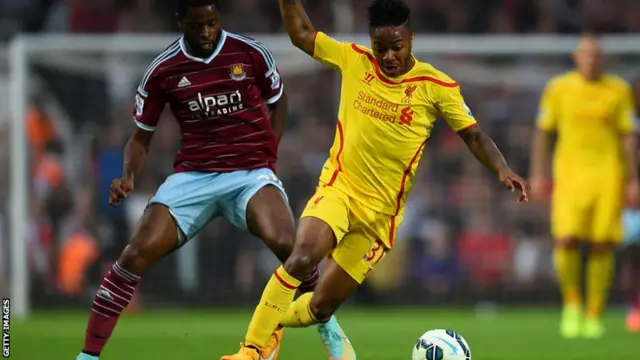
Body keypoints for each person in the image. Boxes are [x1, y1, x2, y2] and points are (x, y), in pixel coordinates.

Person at [222, 1, 529, 359]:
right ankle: (251, 351)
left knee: (321, 307)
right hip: (339, 190)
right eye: (379, 47)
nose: (387, 57)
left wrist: (502, 168)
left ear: (411, 39)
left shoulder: (436, 86)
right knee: (302, 258)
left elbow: (474, 136)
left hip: (380, 217)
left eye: (396, 47)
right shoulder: (354, 60)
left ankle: (274, 325)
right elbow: (303, 36)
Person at [75, 1, 352, 359]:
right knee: (134, 254)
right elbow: (141, 137)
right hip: (193, 177)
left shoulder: (249, 53)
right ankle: (87, 356)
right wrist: (128, 177)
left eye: (212, 23)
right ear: (180, 22)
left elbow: (278, 102)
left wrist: (269, 155)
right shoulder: (163, 70)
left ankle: (329, 328)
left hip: (250, 175)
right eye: (197, 25)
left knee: (290, 244)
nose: (207, 32)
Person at [529, 34, 639, 339]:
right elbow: (542, 131)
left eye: (596, 55)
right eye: (586, 54)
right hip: (569, 176)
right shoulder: (559, 89)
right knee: (566, 239)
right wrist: (537, 174)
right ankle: (572, 303)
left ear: (603, 59)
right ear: (577, 58)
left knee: (603, 243)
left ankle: (594, 312)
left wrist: (633, 180)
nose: (591, 60)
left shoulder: (618, 91)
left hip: (608, 176)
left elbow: (629, 135)